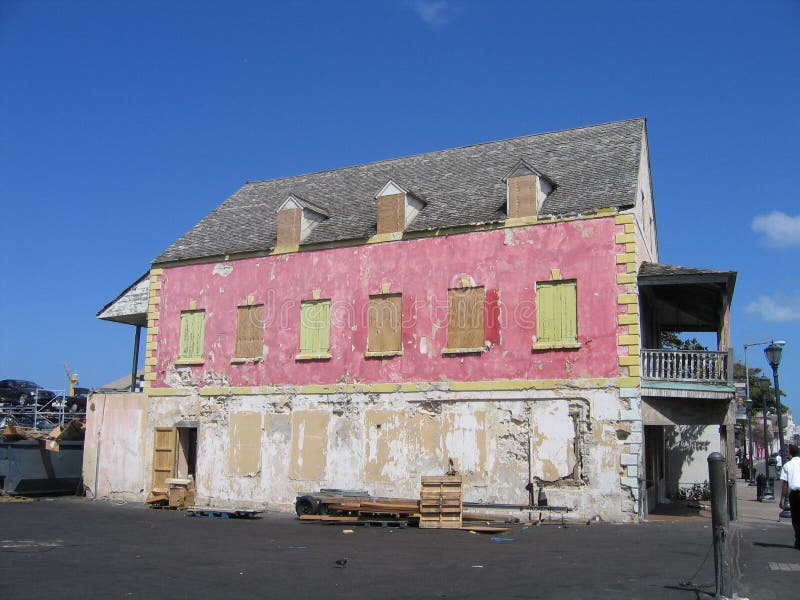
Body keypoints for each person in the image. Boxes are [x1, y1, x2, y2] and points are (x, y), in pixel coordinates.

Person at [779, 444, 800, 550]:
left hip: (795, 495)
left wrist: (782, 499)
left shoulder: (787, 465)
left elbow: (784, 484)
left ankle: (798, 539)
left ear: (790, 453)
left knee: (796, 518)